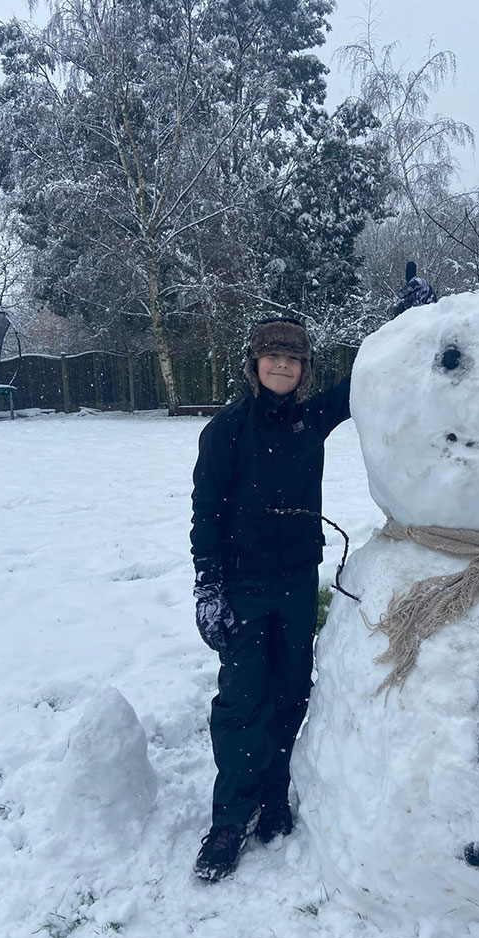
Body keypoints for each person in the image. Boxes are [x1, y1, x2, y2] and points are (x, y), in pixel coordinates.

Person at [190, 316, 351, 883]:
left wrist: (410, 323)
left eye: (293, 359)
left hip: (296, 581)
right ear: (254, 364)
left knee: (289, 693)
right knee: (241, 701)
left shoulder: (312, 418)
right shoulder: (227, 429)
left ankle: (275, 793)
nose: (282, 366)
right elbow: (205, 512)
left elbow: (365, 383)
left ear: (304, 369)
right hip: (242, 584)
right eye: (272, 357)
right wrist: (208, 585)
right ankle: (230, 819)